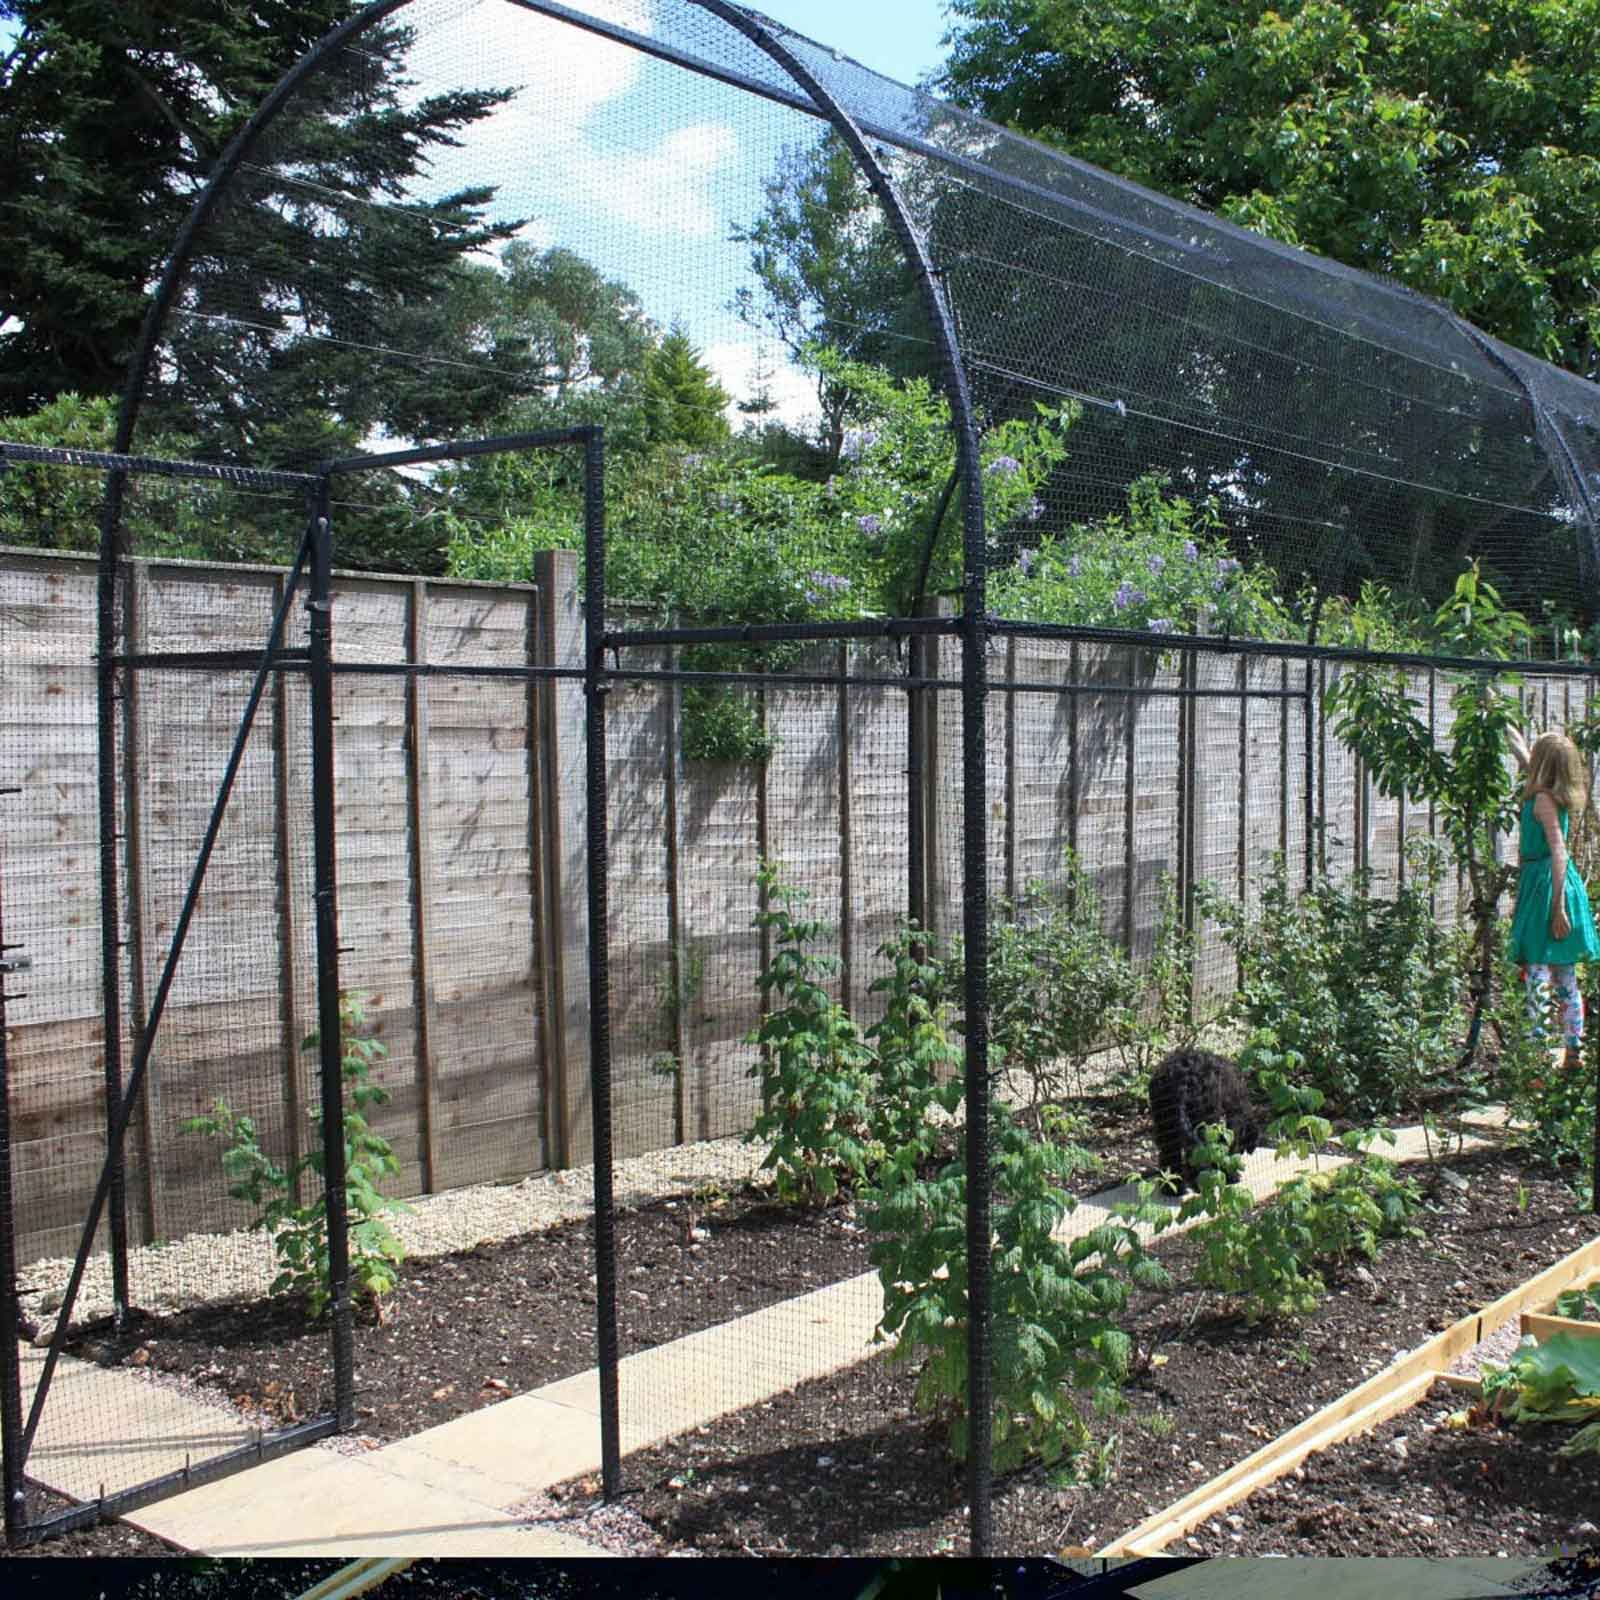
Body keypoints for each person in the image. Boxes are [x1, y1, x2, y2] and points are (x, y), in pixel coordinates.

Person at [1505, 724, 1600, 1067]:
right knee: (1564, 973)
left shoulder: (1543, 800)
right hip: (1553, 883)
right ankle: (1573, 1049)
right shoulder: (1547, 788)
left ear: (1542, 763)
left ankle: (1538, 1050)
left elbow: (1559, 850)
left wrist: (1557, 906)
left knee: (1538, 971)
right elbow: (1519, 746)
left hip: (1549, 886)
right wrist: (1492, 702)